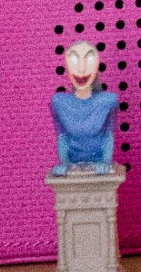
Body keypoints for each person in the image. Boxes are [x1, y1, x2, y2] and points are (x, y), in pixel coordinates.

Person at [51, 40, 119, 174]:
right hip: (73, 168)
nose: (81, 69)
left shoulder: (108, 101)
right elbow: (62, 137)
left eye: (88, 59)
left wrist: (105, 162)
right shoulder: (59, 102)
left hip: (99, 165)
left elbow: (108, 136)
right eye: (74, 59)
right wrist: (64, 163)